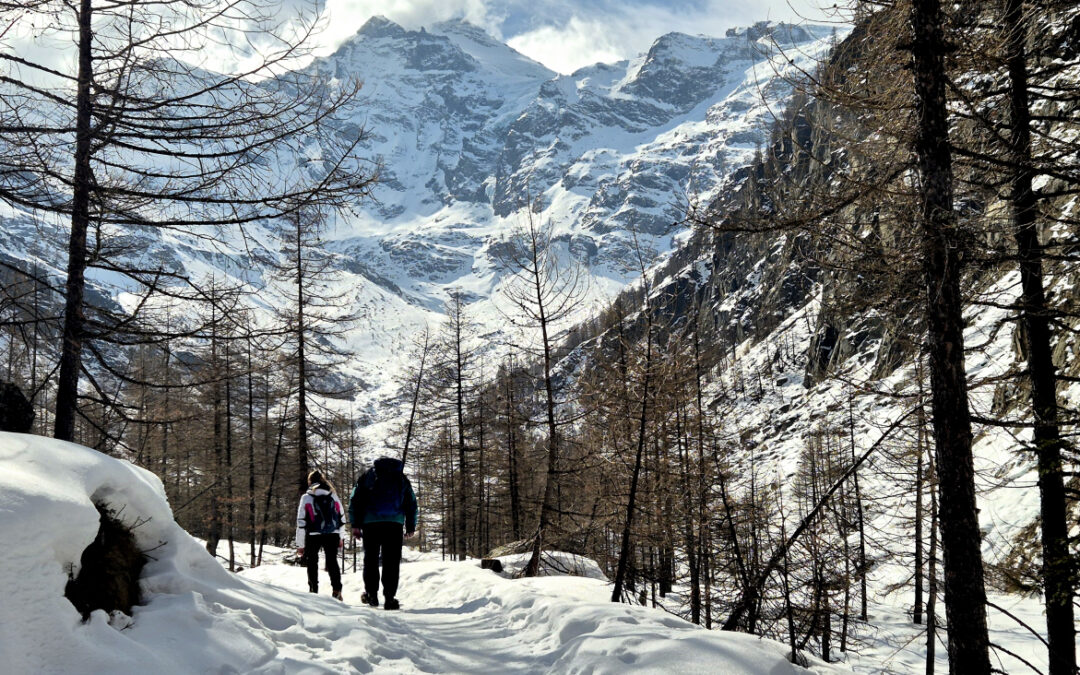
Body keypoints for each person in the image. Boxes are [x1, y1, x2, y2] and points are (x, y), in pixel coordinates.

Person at [349, 456, 417, 610]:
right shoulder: (401, 477)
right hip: (394, 524)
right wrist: (410, 525)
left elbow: (355, 500)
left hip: (371, 523)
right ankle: (389, 598)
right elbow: (411, 503)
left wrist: (355, 524)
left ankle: (372, 595)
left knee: (371, 559)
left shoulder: (368, 476)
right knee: (391, 561)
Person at [295, 470, 345, 600]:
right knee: (332, 561)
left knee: (312, 561)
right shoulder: (332, 495)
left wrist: (300, 545)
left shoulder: (306, 497)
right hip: (332, 534)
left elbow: (301, 521)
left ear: (310, 482)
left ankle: (313, 590)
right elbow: (342, 517)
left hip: (313, 534)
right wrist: (341, 536)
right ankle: (337, 590)